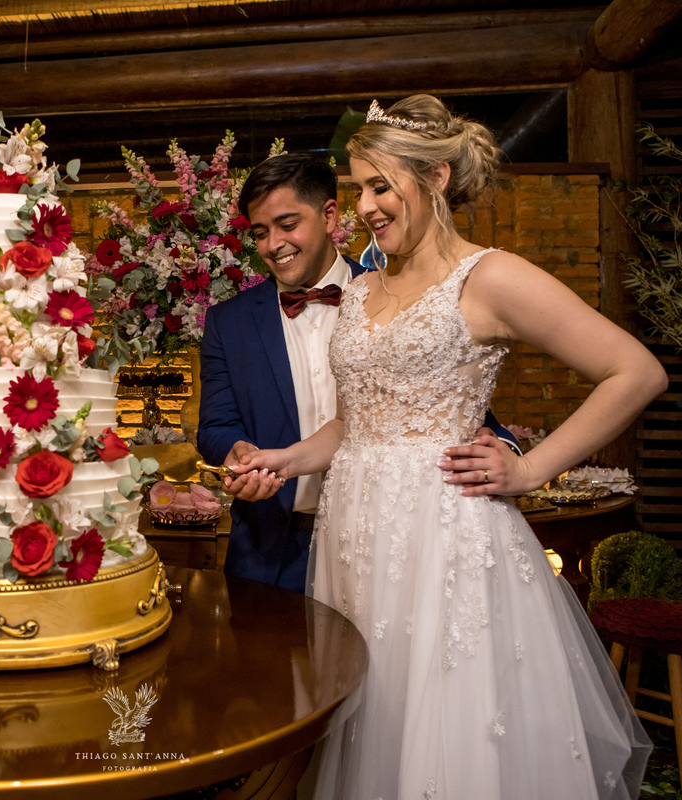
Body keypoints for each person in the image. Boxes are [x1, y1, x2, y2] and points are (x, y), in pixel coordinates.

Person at [237, 95, 662, 799]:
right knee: (372, 725)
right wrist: (285, 460)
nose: (367, 205)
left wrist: (530, 468)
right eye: (358, 188)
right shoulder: (365, 286)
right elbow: (360, 423)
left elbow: (636, 372)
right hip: (353, 543)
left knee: (445, 729)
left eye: (381, 184)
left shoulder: (489, 278)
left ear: (434, 177)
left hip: (443, 543)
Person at [197, 152, 517, 592]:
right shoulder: (227, 322)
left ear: (330, 216)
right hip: (271, 547)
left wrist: (505, 448)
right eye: (260, 233)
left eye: (288, 225)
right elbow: (214, 425)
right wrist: (238, 451)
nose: (273, 244)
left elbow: (451, 394)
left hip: (388, 540)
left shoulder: (401, 294)